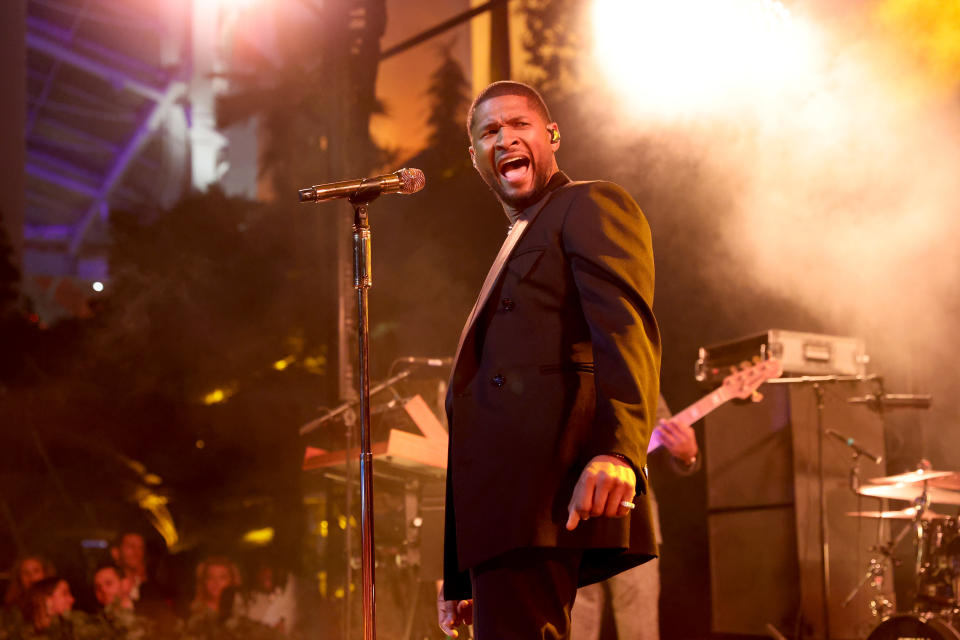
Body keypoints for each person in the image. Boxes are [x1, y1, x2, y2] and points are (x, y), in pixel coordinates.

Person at [437, 81, 661, 639]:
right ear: (475, 158)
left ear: (552, 135)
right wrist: (464, 566)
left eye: (520, 125)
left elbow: (626, 329)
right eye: (490, 132)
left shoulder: (587, 203)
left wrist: (620, 450)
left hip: (545, 499)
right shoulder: (520, 235)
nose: (505, 138)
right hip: (507, 518)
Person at [570, 396, 700, 640]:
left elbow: (661, 447)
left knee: (639, 620)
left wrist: (687, 455)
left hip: (633, 513)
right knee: (576, 620)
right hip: (572, 510)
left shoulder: (637, 367)